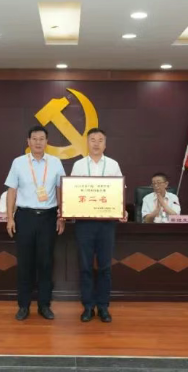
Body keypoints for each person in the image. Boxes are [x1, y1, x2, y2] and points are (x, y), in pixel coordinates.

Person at [4, 125, 66, 321]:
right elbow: (12, 191)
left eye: (42, 139)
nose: (38, 142)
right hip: (25, 217)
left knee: (46, 263)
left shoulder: (55, 163)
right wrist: (10, 217)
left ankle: (44, 305)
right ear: (28, 141)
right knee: (25, 263)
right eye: (34, 138)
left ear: (47, 142)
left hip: (48, 217)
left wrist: (61, 216)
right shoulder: (18, 163)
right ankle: (23, 306)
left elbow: (61, 190)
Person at [70, 128, 127, 323]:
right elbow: (72, 192)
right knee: (85, 266)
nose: (96, 143)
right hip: (84, 223)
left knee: (105, 267)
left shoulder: (113, 164)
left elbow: (120, 191)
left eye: (100, 140)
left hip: (106, 223)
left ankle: (103, 307)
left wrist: (122, 210)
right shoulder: (78, 165)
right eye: (92, 139)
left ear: (105, 144)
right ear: (87, 143)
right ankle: (88, 306)